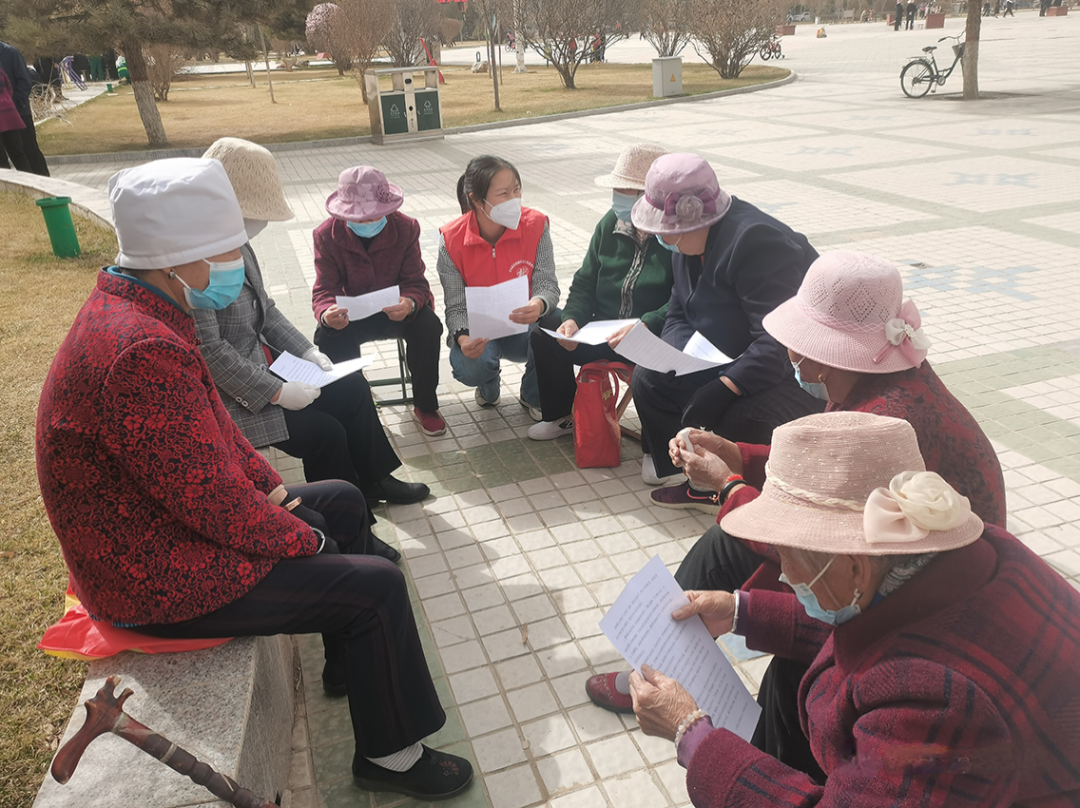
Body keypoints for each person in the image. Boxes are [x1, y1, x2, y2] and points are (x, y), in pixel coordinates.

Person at [36, 158, 473, 801]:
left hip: (167, 530)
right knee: (374, 585)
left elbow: (214, 438)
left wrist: (275, 491)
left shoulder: (146, 308)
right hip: (152, 572)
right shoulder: (139, 350)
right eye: (225, 249)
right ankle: (391, 754)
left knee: (342, 500)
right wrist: (306, 540)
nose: (235, 261)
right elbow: (207, 500)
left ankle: (351, 663)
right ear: (178, 255)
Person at [586, 253, 1006, 781]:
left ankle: (732, 736)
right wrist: (739, 458)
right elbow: (826, 476)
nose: (789, 353)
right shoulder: (878, 384)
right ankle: (663, 660)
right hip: (905, 567)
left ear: (823, 356)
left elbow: (816, 542)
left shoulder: (884, 419)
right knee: (730, 549)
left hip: (923, 593)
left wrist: (729, 485)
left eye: (797, 340)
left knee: (795, 673)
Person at [629, 411, 1080, 806]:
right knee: (791, 672)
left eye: (786, 555)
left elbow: (903, 667)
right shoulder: (983, 553)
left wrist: (693, 737)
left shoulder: (929, 699)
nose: (782, 573)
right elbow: (875, 625)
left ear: (855, 567)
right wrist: (737, 610)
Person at [195, 139, 427, 517]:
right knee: (325, 432)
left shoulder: (237, 244)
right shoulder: (192, 261)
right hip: (236, 394)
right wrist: (275, 391)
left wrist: (307, 352)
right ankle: (348, 516)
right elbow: (210, 350)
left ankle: (375, 480)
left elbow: (267, 310)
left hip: (270, 366)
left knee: (352, 387)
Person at [627, 152, 821, 491]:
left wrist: (726, 386)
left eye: (666, 232)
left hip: (792, 370)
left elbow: (777, 340)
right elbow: (678, 311)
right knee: (650, 378)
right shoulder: (687, 246)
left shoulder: (757, 242)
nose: (662, 239)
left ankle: (734, 484)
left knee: (737, 414)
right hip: (721, 355)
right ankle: (684, 472)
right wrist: (677, 360)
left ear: (692, 222)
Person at [528, 143, 673, 440]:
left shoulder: (675, 237)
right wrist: (572, 319)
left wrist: (646, 324)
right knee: (546, 331)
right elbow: (585, 282)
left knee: (656, 368)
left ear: (651, 196)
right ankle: (561, 416)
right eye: (616, 190)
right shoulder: (610, 224)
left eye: (624, 191)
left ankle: (655, 446)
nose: (617, 198)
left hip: (648, 335)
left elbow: (683, 299)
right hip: (603, 332)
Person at [312, 166, 447, 437]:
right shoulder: (326, 235)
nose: (367, 222)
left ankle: (426, 405)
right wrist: (327, 313)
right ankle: (355, 408)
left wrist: (409, 303)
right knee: (327, 336)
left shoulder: (406, 228)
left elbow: (416, 282)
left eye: (374, 215)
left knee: (428, 325)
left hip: (397, 310)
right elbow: (324, 289)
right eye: (358, 217)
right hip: (353, 315)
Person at [436, 155, 561, 419]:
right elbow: (455, 306)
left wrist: (538, 304)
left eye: (517, 190)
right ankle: (488, 382)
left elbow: (547, 284)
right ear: (476, 199)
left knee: (556, 324)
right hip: (480, 334)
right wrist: (464, 339)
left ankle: (533, 393)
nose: (514, 199)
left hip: (524, 328)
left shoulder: (536, 225)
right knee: (470, 366)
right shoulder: (451, 240)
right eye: (504, 193)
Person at [0, 40, 49, 176]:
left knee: (28, 150)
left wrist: (13, 105)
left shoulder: (10, 53)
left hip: (18, 112)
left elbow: (24, 80)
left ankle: (42, 181)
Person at [0, 67, 29, 172]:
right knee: (18, 153)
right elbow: (9, 89)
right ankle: (28, 178)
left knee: (1, 160)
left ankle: (6, 181)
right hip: (9, 113)